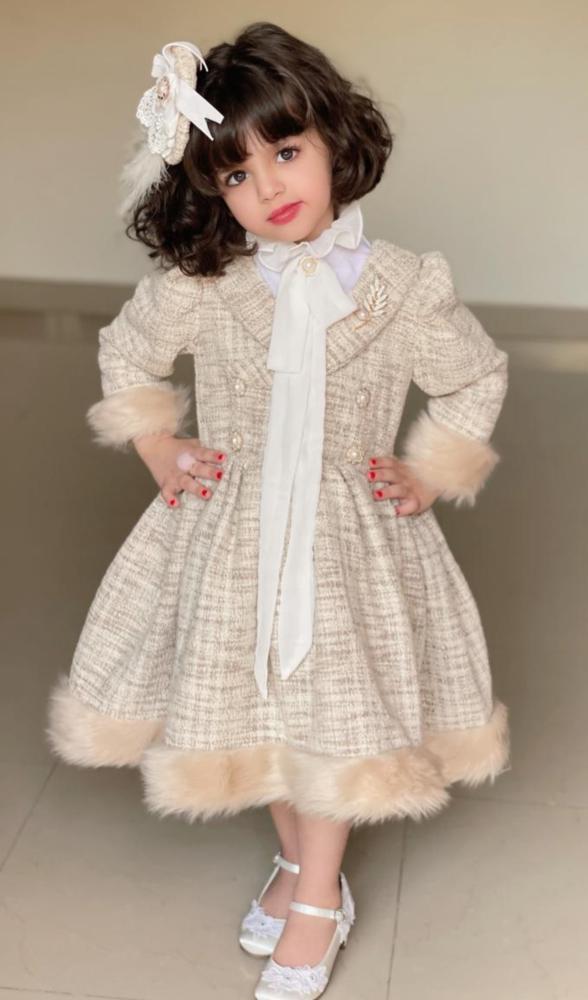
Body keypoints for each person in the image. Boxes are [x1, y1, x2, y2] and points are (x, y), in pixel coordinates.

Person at [45, 22, 510, 1000]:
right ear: (211, 190)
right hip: (235, 533)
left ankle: (317, 898)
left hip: (345, 541)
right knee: (253, 696)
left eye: (287, 151)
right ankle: (299, 863)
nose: (269, 186)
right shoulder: (206, 284)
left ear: (334, 139)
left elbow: (474, 375)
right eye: (236, 173)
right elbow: (127, 353)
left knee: (330, 703)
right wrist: (160, 444)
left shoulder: (400, 286)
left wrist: (430, 471)